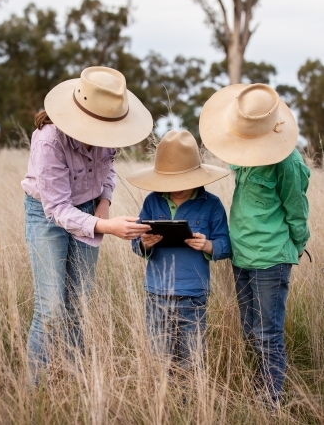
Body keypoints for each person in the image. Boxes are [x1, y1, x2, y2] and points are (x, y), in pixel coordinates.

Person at [21, 66, 153, 384]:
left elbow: (107, 171)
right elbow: (57, 209)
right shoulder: (49, 140)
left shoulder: (109, 135)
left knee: (79, 302)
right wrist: (105, 227)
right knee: (51, 308)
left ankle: (75, 383)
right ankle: (33, 392)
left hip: (90, 209)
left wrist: (104, 204)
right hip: (49, 215)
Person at [199, 82, 311, 404]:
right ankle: (256, 390)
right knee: (249, 330)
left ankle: (271, 402)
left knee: (267, 334)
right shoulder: (242, 148)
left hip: (271, 257)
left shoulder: (287, 161)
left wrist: (295, 245)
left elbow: (296, 210)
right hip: (242, 253)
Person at [126, 130, 231, 373]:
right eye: (170, 181)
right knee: (160, 363)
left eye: (182, 181)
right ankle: (164, 407)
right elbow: (136, 243)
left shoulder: (211, 204)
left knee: (192, 362)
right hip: (156, 294)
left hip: (193, 296)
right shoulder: (153, 201)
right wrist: (145, 243)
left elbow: (225, 245)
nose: (177, 188)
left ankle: (191, 406)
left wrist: (207, 245)